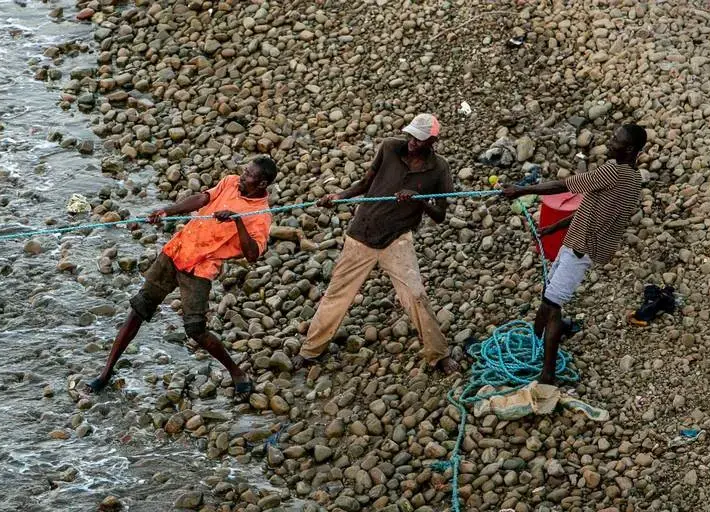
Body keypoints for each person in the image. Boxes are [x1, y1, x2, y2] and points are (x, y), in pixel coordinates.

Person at [85, 157, 278, 399]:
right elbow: (202, 199)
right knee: (139, 308)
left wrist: (237, 220)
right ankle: (105, 373)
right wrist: (167, 211)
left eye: (248, 175)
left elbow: (252, 255)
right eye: (244, 170)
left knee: (196, 329)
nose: (241, 176)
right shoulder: (230, 182)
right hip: (176, 251)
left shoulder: (261, 215)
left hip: (200, 268)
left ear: (261, 184)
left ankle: (236, 373)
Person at [294, 113, 460, 374]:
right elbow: (365, 183)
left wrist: (419, 200)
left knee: (416, 296)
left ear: (432, 141)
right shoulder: (390, 147)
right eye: (410, 136)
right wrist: (338, 195)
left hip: (397, 240)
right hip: (362, 233)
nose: (412, 143)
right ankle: (310, 351)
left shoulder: (439, 168)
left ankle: (438, 355)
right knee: (337, 294)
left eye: (418, 139)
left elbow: (440, 215)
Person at [501, 124, 646, 384]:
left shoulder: (612, 171)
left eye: (616, 141)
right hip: (582, 246)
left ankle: (547, 374)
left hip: (580, 249)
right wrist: (555, 227)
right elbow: (597, 211)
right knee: (549, 293)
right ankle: (534, 344)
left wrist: (522, 190)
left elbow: (565, 186)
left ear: (630, 149)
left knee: (552, 304)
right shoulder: (634, 180)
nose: (609, 144)